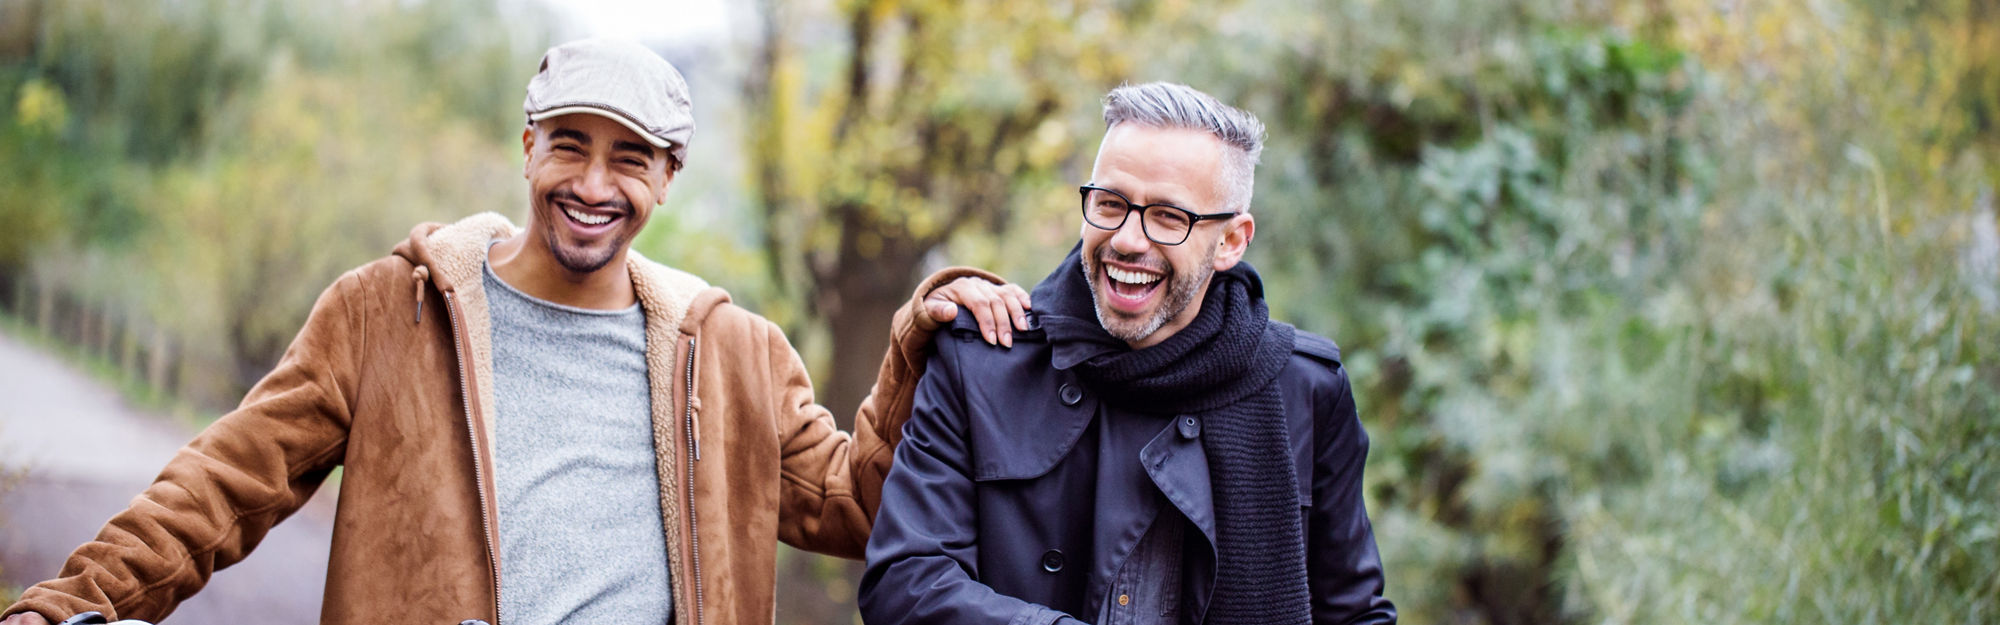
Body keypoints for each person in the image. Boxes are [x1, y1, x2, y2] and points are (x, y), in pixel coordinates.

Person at [1, 38, 1032, 625]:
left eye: (628, 158)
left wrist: (912, 346)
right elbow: (222, 485)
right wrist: (71, 602)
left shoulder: (733, 354)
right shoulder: (388, 313)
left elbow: (859, 506)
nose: (592, 183)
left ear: (668, 177)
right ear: (526, 144)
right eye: (568, 146)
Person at [859, 82, 1397, 625]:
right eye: (1110, 204)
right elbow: (905, 583)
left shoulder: (1306, 390)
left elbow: (1353, 614)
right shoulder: (979, 360)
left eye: (1168, 216)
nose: (1127, 240)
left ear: (1231, 241)